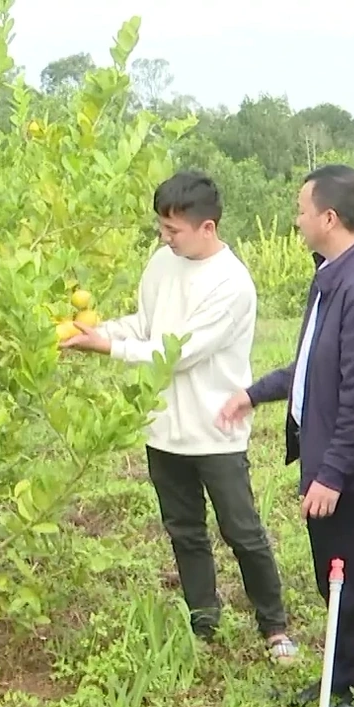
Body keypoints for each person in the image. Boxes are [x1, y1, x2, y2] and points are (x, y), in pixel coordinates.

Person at [63, 170, 299, 665]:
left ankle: (274, 626)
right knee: (184, 529)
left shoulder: (231, 284)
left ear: (207, 227)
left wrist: (108, 348)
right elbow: (147, 325)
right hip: (163, 428)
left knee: (241, 530)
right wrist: (100, 332)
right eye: (161, 227)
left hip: (215, 430)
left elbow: (179, 352)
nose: (164, 238)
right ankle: (204, 622)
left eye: (173, 230)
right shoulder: (161, 264)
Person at [217, 164, 354, 707]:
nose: (296, 220)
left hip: (353, 469)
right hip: (329, 457)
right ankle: (343, 674)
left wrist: (333, 473)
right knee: (335, 573)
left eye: (301, 210)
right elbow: (315, 364)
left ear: (329, 218)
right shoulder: (333, 275)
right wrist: (255, 394)